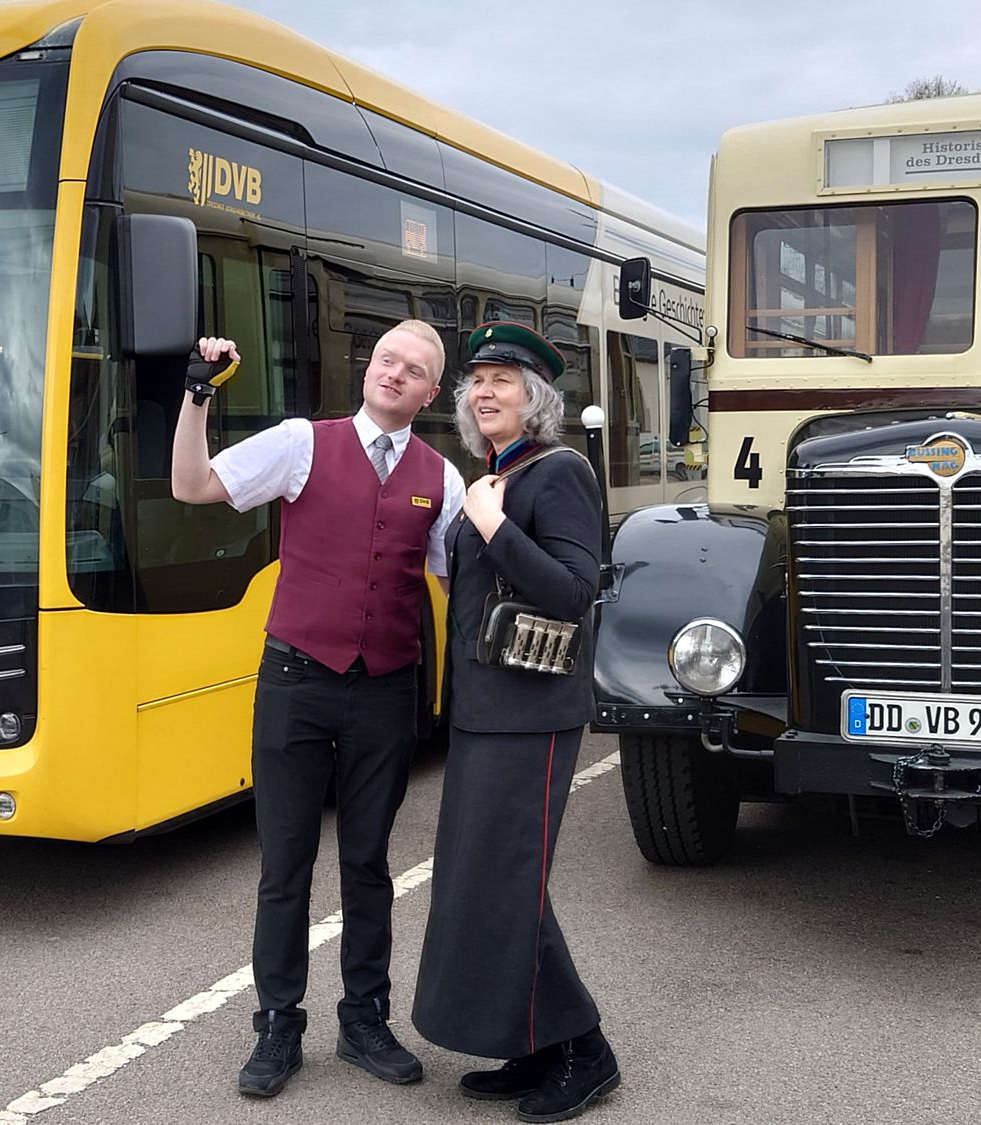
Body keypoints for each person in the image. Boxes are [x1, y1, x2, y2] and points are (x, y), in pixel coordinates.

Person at [170, 320, 467, 1099]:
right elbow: (192, 486)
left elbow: (462, 582)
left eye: (414, 370)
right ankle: (277, 1022)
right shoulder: (302, 443)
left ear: (431, 394)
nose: (395, 373)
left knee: (368, 862)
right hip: (296, 681)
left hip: (387, 688)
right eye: (387, 359)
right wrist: (197, 395)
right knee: (286, 862)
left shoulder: (443, 478)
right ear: (369, 369)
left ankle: (365, 1019)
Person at [412, 322, 619, 1122]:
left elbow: (574, 590)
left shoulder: (557, 471)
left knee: (507, 881)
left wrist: (493, 524)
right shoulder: (496, 475)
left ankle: (586, 1050)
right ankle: (533, 1043)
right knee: (486, 882)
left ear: (535, 398)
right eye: (475, 381)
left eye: (501, 379)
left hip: (532, 717)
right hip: (485, 714)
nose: (483, 392)